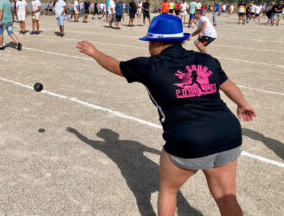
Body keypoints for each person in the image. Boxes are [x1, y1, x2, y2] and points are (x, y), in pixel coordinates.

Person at [76, 14, 256, 216]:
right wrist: (243, 104)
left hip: (188, 139)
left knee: (169, 191)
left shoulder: (149, 66)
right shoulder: (206, 59)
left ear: (157, 41)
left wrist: (94, 52)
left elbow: (114, 65)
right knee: (226, 195)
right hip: (228, 133)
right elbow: (227, 84)